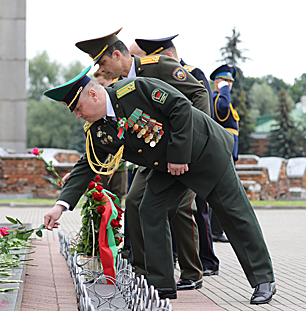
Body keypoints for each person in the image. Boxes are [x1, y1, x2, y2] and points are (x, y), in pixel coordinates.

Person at [42, 67, 276, 304]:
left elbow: (181, 107)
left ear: (93, 95)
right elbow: (86, 165)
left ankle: (263, 280)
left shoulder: (136, 89)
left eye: (78, 109)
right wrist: (60, 206)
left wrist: (178, 155)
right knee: (150, 209)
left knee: (234, 214)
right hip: (168, 168)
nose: (78, 116)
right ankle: (161, 285)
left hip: (204, 151)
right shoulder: (99, 130)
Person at [76, 29, 209, 290]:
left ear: (116, 55)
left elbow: (198, 95)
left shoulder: (157, 67)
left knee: (182, 209)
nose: (103, 71)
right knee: (136, 201)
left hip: (183, 152)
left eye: (103, 63)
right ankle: (141, 270)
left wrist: (192, 145)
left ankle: (192, 273)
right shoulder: (119, 86)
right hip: (154, 156)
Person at [134, 35, 221, 277]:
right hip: (162, 154)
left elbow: (201, 104)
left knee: (192, 209)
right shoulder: (143, 77)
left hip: (189, 153)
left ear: (166, 57)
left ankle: (205, 262)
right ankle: (163, 264)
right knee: (151, 206)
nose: (139, 65)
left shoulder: (190, 72)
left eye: (142, 59)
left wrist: (194, 144)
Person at [210, 64, 239, 244]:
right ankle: (215, 230)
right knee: (222, 193)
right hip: (223, 150)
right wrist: (224, 91)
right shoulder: (217, 99)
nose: (228, 84)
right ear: (217, 82)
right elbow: (221, 111)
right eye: (224, 81)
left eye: (230, 81)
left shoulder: (223, 98)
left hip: (229, 151)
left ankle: (216, 229)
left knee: (224, 192)